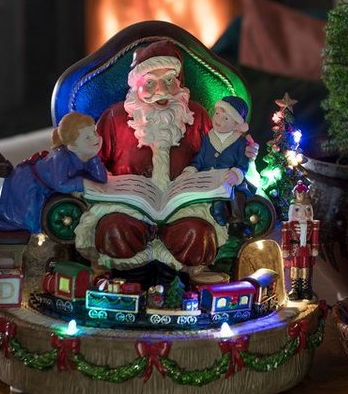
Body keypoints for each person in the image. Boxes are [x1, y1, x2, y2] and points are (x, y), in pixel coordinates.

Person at [83, 40, 257, 271]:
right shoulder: (115, 117)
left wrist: (244, 154)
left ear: (179, 81)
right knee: (113, 230)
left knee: (198, 235)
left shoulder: (195, 115)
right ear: (136, 86)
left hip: (183, 209)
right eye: (150, 83)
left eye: (168, 80)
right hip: (130, 209)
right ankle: (131, 277)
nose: (162, 91)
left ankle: (177, 278)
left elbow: (222, 152)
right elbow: (92, 161)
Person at [0, 112, 107, 234]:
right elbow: (60, 184)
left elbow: (101, 180)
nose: (96, 138)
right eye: (87, 137)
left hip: (47, 187)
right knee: (30, 224)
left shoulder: (85, 154)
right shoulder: (61, 157)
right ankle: (3, 172)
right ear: (72, 146)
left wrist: (94, 158)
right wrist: (84, 182)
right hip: (29, 181)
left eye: (94, 132)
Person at [183, 95, 255, 232]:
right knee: (210, 198)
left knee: (236, 194)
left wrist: (236, 173)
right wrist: (191, 169)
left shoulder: (240, 142)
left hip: (228, 178)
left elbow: (242, 163)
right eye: (217, 114)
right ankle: (213, 217)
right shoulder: (207, 138)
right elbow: (200, 158)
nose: (218, 120)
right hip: (208, 177)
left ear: (236, 124)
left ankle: (236, 222)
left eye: (225, 118)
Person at [281, 182, 320, 300]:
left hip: (306, 250)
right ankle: (295, 287)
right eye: (297, 210)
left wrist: (314, 248)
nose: (303, 213)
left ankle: (305, 287)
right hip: (295, 250)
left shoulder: (313, 224)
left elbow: (314, 237)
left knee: (305, 267)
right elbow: (286, 238)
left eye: (306, 209)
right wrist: (285, 249)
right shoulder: (288, 225)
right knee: (295, 267)